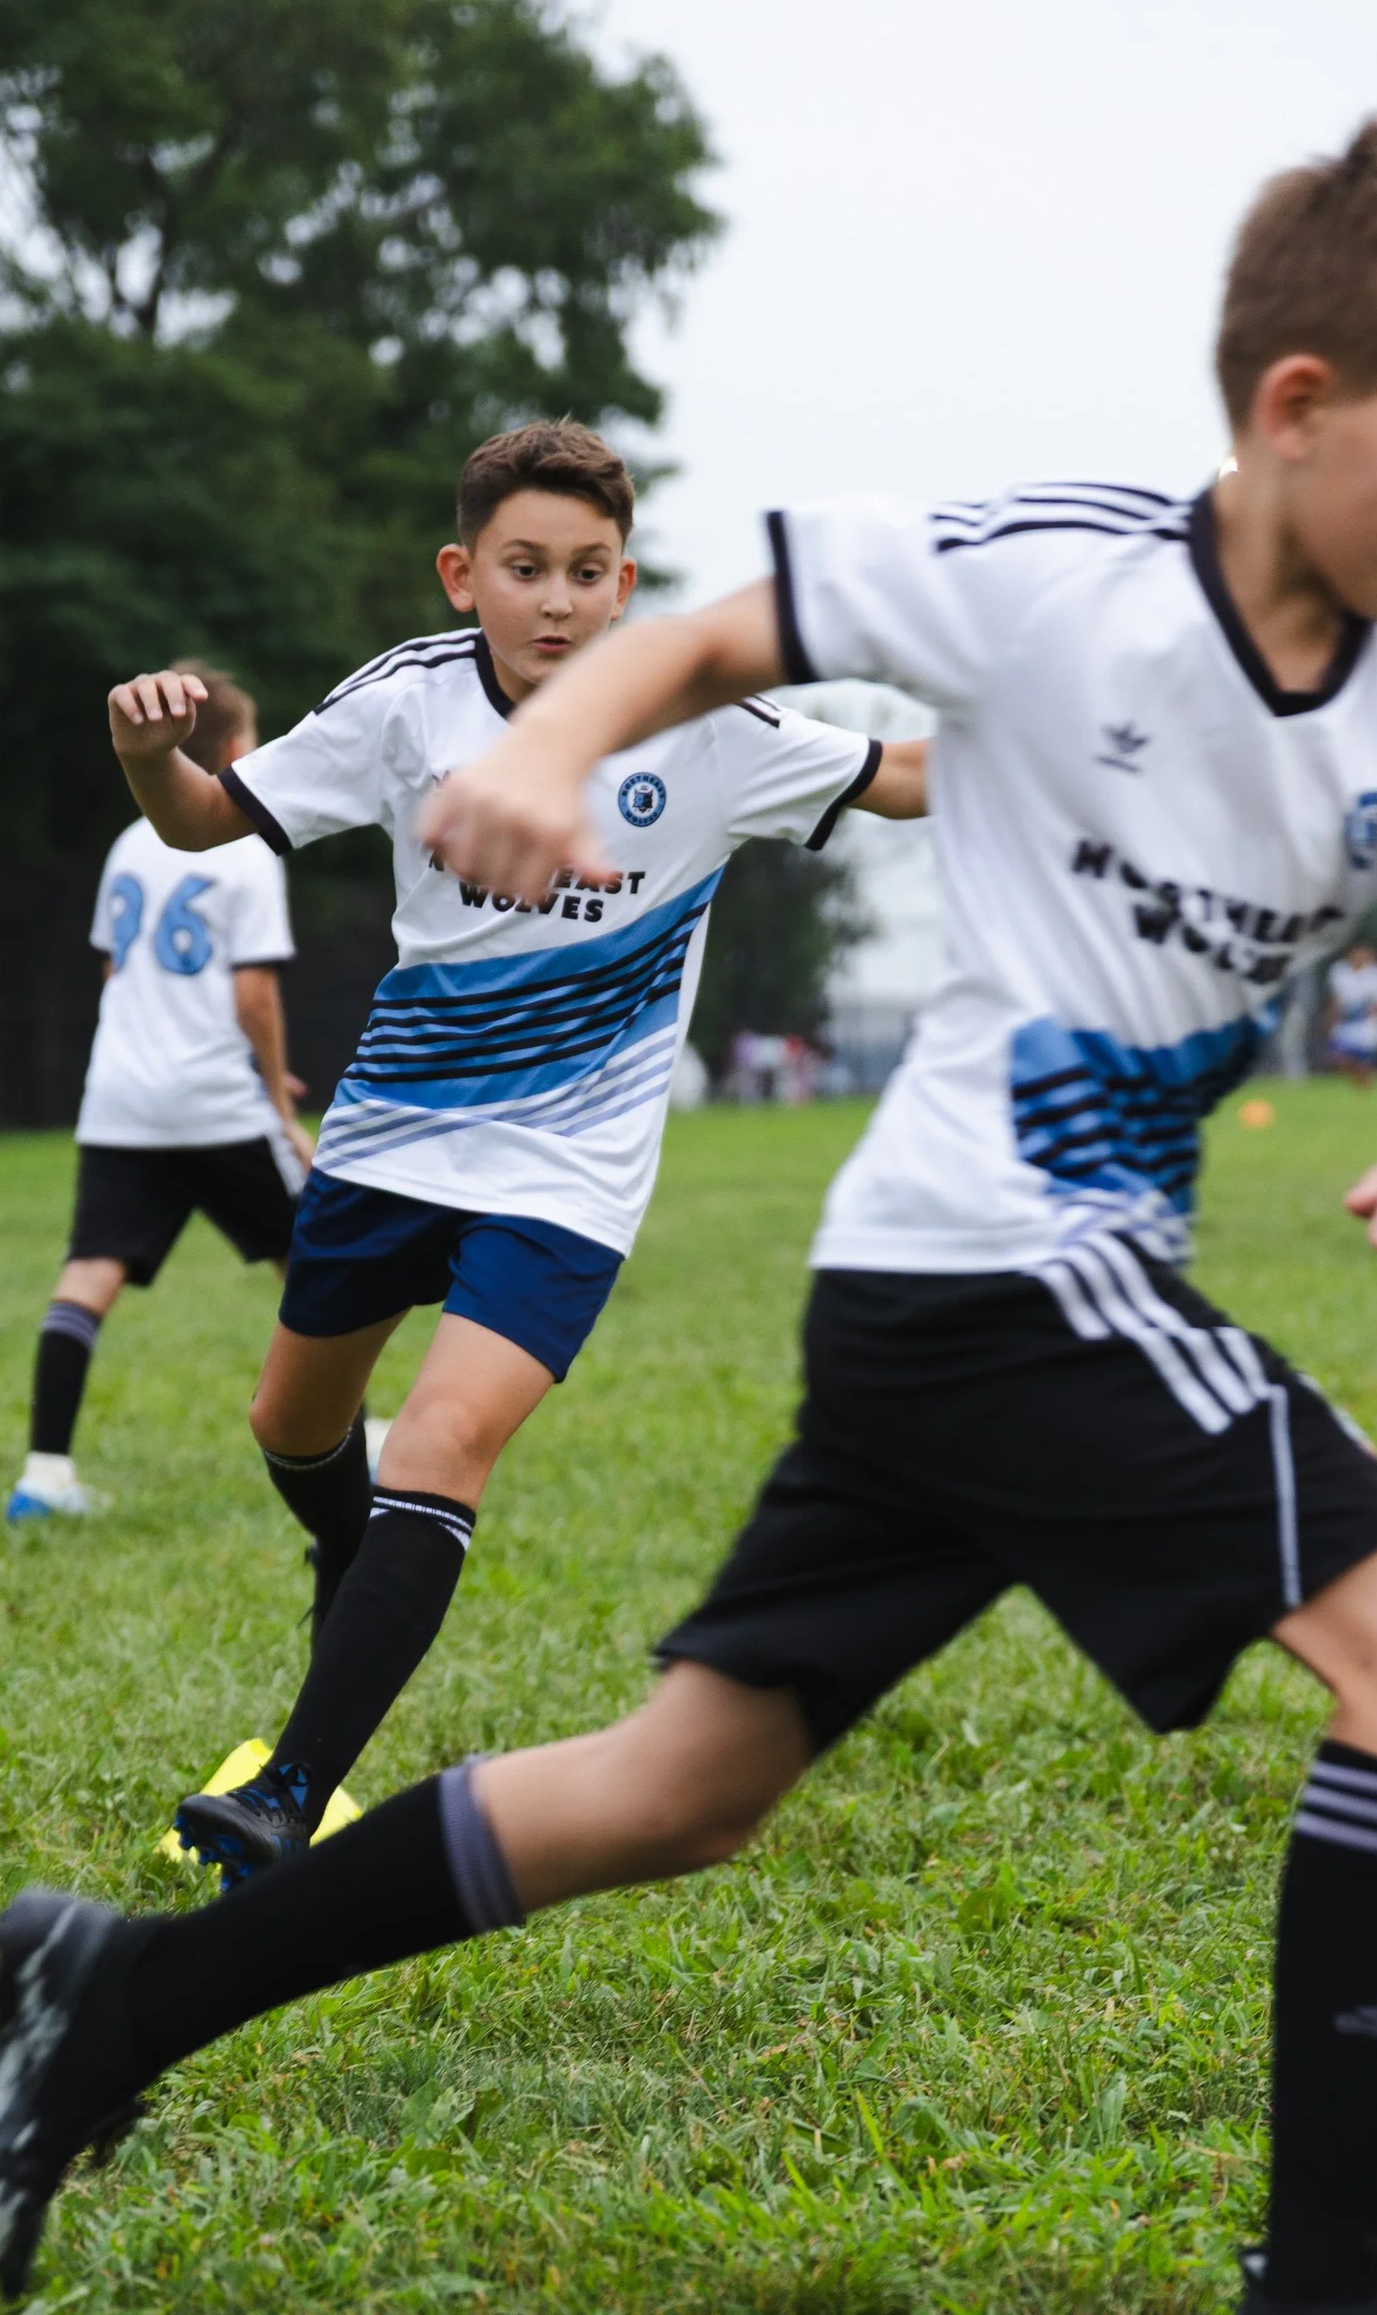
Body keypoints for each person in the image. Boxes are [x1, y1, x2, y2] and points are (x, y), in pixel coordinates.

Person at [0, 119, 1377, 2315]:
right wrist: (551, 742)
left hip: (961, 1289)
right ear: (1294, 406)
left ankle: (119, 1983)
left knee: (680, 1784)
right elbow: (728, 615)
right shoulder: (1067, 570)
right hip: (996, 1264)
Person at [101, 418, 927, 1884]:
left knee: (441, 1445)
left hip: (568, 1176)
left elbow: (901, 776)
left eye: (589, 570)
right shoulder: (409, 704)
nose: (557, 598)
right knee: (293, 1429)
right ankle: (350, 1566)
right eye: (526, 566)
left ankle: (288, 1792)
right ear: (462, 574)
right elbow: (207, 824)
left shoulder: (711, 732)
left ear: (626, 587)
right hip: (392, 1139)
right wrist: (145, 756)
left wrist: (1089, 729)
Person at [7, 664, 312, 1528]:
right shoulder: (247, 845)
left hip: (121, 1098)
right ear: (231, 751)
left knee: (88, 1277)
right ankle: (346, 1436)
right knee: (315, 1265)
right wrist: (279, 1111)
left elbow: (116, 968)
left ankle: (45, 1473)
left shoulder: (129, 841)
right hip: (216, 1101)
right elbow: (254, 996)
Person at [1320, 937, 1377, 1087]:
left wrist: (1376, 1011)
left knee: (1364, 1061)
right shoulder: (1339, 971)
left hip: (1368, 1025)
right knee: (1339, 1058)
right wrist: (1330, 1018)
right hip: (1345, 1023)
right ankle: (1359, 1082)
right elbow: (1335, 999)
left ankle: (1366, 1087)